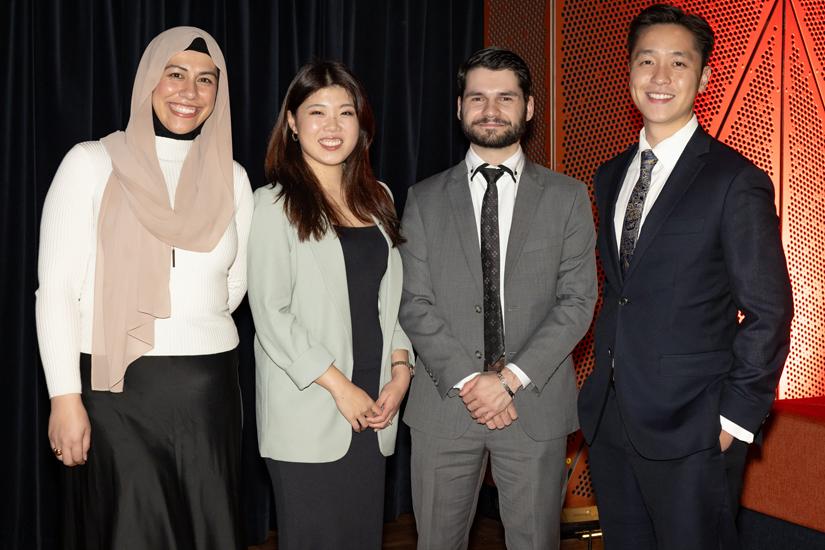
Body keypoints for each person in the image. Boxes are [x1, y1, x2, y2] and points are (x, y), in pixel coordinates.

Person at [577, 4, 794, 549]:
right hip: (610, 418)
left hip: (696, 429)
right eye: (647, 61)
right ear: (629, 71)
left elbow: (769, 311)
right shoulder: (609, 176)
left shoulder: (735, 180)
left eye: (679, 63)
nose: (660, 77)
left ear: (704, 76)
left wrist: (734, 420)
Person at [35, 27, 252, 549]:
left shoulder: (234, 177)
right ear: (148, 82)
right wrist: (64, 398)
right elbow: (57, 291)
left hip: (209, 393)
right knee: (128, 532)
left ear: (218, 95)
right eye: (175, 74)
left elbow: (235, 285)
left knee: (208, 532)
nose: (189, 92)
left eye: (206, 80)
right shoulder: (90, 163)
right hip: (116, 395)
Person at [399, 47, 597, 550]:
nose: (491, 109)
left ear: (529, 108)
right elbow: (413, 302)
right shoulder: (422, 198)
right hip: (446, 405)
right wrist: (473, 382)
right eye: (478, 97)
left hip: (534, 404)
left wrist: (507, 381)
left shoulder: (568, 196)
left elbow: (577, 301)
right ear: (460, 107)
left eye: (505, 97)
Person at [247, 60, 413, 550]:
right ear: (293, 124)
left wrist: (401, 370)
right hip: (312, 407)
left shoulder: (378, 198)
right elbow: (271, 313)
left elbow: (390, 301)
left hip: (375, 408)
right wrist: (341, 388)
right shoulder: (272, 204)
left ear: (361, 124)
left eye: (345, 112)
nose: (333, 125)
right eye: (317, 112)